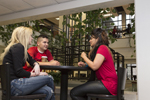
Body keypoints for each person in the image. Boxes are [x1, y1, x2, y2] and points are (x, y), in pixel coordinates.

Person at [1, 26, 55, 100]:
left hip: (13, 86)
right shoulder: (18, 47)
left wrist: (36, 65)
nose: (32, 38)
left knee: (48, 91)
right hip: (15, 85)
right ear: (25, 36)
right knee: (49, 78)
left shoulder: (18, 48)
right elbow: (19, 72)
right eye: (30, 36)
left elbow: (31, 60)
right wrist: (37, 74)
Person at [70, 28, 118, 100]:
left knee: (74, 93)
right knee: (78, 92)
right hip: (107, 83)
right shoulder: (103, 48)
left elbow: (94, 66)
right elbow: (96, 63)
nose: (89, 40)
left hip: (109, 84)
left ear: (97, 39)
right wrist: (85, 64)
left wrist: (84, 57)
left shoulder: (102, 48)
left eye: (91, 38)